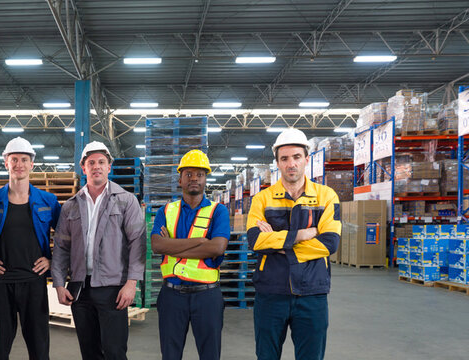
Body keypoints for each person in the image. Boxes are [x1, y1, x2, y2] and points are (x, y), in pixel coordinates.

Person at [246, 128, 342, 360]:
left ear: (307, 159)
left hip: (312, 292)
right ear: (277, 163)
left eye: (297, 157)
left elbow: (329, 243)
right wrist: (300, 235)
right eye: (285, 158)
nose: (291, 164)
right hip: (270, 292)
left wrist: (279, 245)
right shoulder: (262, 199)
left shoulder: (327, 196)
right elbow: (255, 240)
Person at [51, 140, 146, 360]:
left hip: (113, 288)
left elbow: (137, 244)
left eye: (101, 162)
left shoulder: (126, 201)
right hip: (79, 289)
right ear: (83, 168)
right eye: (91, 162)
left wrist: (131, 284)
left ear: (109, 167)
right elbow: (61, 248)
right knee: (89, 352)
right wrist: (58, 284)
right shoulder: (71, 205)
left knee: (114, 352)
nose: (96, 166)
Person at [0, 137, 61, 360]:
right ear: (6, 163)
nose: (19, 164)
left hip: (34, 282)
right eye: (14, 159)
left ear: (32, 164)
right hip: (1, 284)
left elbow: (66, 239)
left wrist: (52, 262)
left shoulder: (48, 201)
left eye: (24, 159)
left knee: (39, 348)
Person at [150, 149, 230, 360]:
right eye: (188, 174)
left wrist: (173, 245)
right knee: (170, 354)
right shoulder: (165, 211)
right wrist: (200, 241)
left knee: (210, 354)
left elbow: (217, 248)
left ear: (206, 179)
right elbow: (157, 245)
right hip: (171, 296)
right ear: (180, 179)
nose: (194, 178)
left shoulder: (218, 211)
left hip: (207, 296)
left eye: (200, 174)